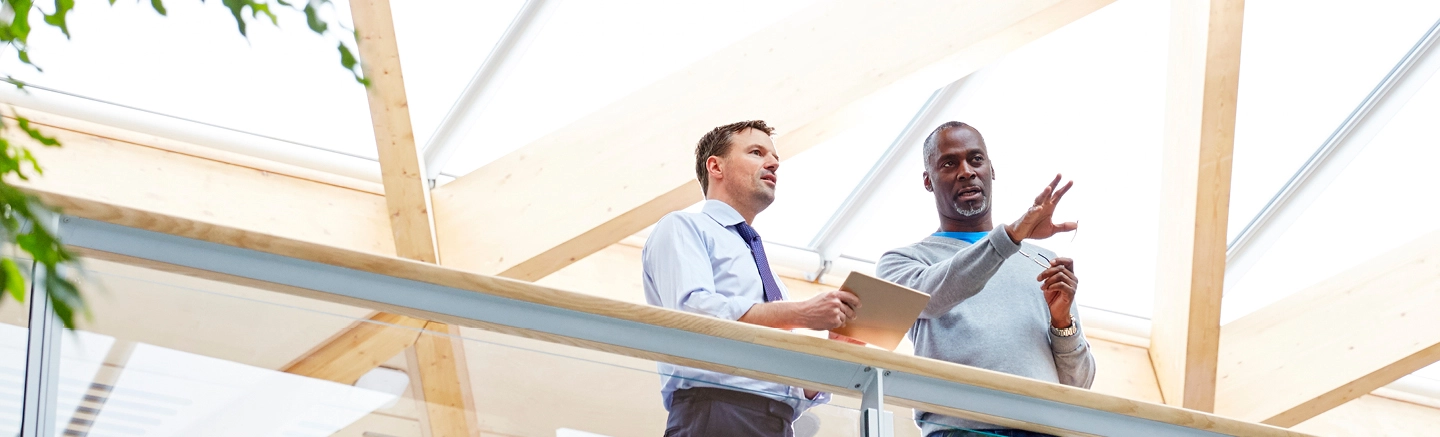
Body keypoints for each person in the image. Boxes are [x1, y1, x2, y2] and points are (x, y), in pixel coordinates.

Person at [643, 120, 863, 437]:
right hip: (717, 414)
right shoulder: (683, 228)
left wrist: (834, 353)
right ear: (715, 166)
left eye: (774, 158)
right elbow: (695, 313)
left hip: (778, 423)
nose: (773, 163)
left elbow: (786, 387)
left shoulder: (765, 269)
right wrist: (802, 313)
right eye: (756, 152)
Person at [876, 122, 1095, 437]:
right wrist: (1010, 235)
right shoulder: (904, 261)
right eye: (949, 163)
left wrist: (1062, 325)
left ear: (992, 170)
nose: (966, 171)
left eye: (975, 160)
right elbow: (933, 296)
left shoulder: (1042, 260)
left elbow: (1080, 384)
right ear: (928, 180)